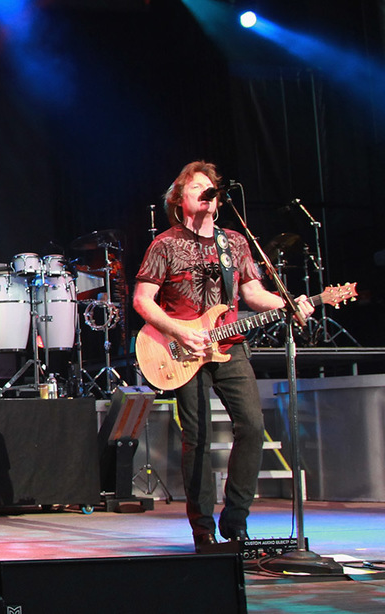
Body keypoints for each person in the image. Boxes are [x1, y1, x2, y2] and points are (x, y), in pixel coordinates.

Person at [133, 160, 312, 552]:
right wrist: (179, 331)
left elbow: (253, 293)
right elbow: (142, 300)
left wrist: (289, 302)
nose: (206, 193)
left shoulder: (234, 242)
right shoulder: (164, 244)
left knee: (252, 425)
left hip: (230, 346)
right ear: (179, 199)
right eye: (196, 187)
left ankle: (236, 520)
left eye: (210, 188)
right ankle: (202, 528)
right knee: (196, 438)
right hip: (182, 351)